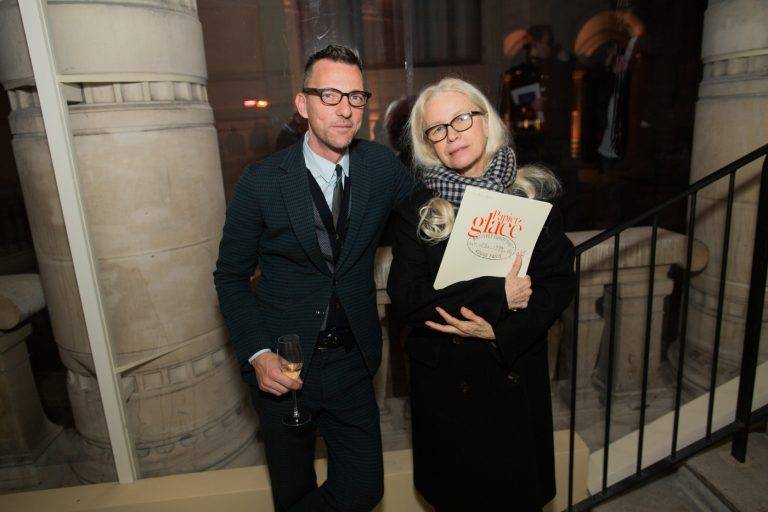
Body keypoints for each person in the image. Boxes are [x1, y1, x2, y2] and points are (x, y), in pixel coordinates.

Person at [214, 44, 413, 512]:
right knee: (293, 491)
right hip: (284, 365)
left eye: (356, 97)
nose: (346, 109)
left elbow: (430, 216)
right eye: (330, 95)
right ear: (302, 104)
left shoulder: (381, 168)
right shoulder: (261, 181)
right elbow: (229, 276)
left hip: (353, 362)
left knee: (365, 488)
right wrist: (258, 354)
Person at [387, 77, 575, 511]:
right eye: (438, 129)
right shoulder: (418, 206)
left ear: (486, 122)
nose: (452, 135)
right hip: (448, 389)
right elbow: (407, 294)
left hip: (512, 370)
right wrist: (498, 294)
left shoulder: (531, 192)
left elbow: (559, 280)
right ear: (428, 143)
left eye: (462, 120)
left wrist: (498, 332)